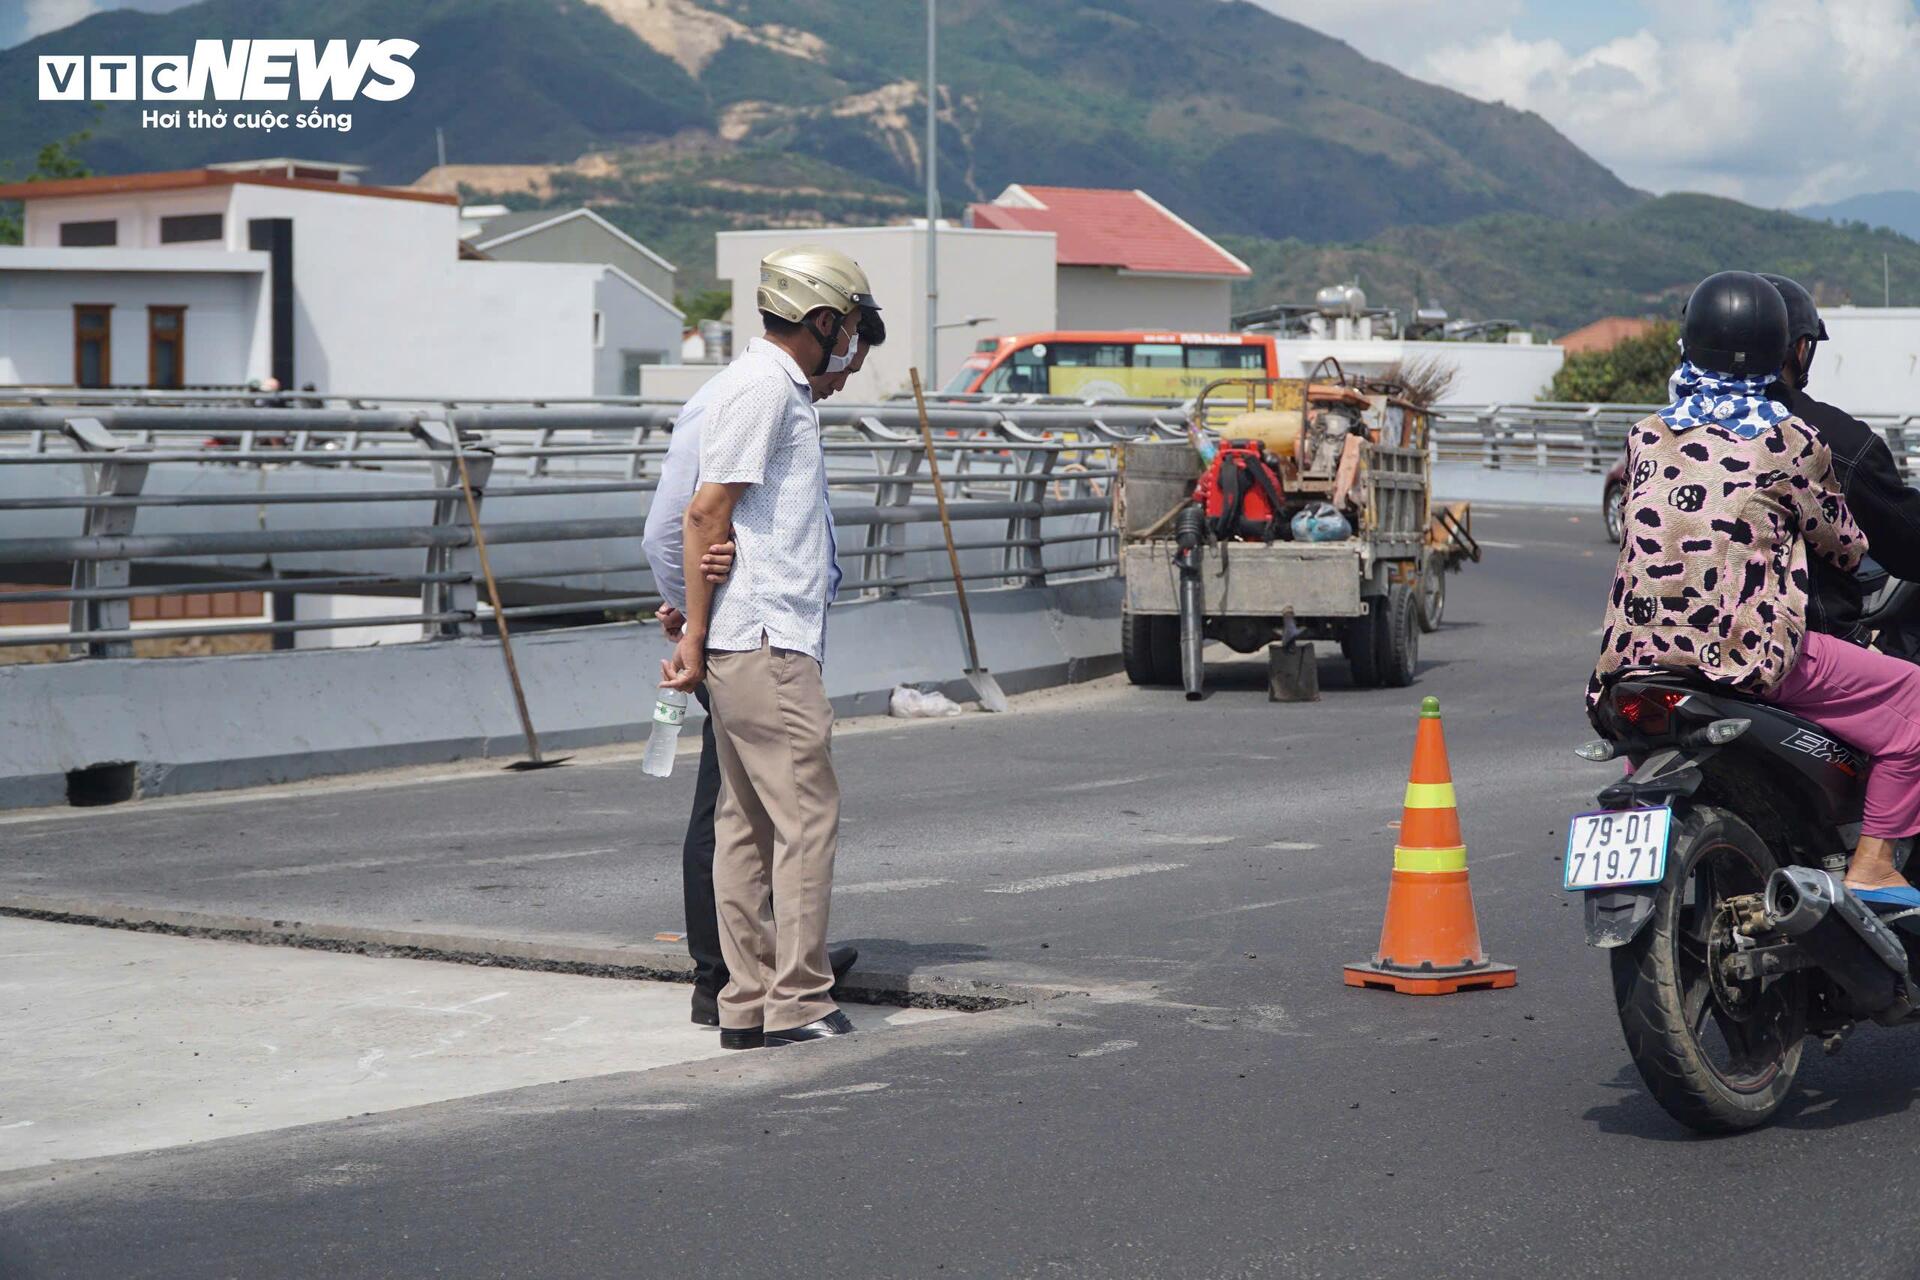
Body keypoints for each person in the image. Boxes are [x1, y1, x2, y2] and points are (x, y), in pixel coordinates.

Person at [1590, 270, 1920, 905]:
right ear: (1788, 353)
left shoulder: (1644, 436)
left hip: (1631, 659)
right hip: (1743, 651)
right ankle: (1875, 865)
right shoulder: (1792, 441)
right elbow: (1847, 549)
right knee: (1910, 700)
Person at [660, 245, 881, 1049]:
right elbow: (703, 513)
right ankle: (798, 999)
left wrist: (696, 626)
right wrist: (693, 628)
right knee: (805, 818)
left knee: (746, 825)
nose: (853, 341)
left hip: (746, 637)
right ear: (822, 320)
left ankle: (746, 1004)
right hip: (767, 640)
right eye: (850, 325)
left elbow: (720, 523)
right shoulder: (769, 389)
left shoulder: (764, 388)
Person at [1759, 273, 1920, 645]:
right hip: (1791, 651)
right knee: (1912, 694)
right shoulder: (1827, 438)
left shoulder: (1658, 435)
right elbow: (1906, 539)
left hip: (1648, 651)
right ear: (1800, 347)